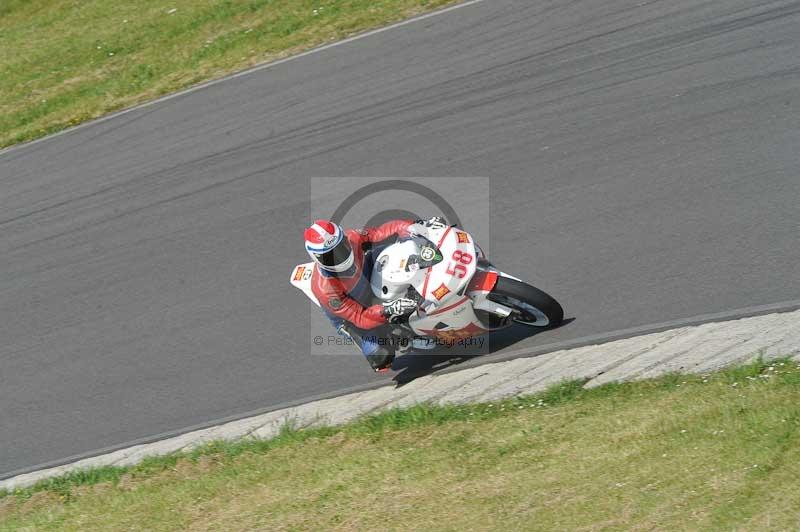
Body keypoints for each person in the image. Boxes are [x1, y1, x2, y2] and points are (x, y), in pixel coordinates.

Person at [304, 217, 446, 372]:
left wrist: (413, 227)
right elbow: (360, 317)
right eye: (330, 256)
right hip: (352, 314)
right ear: (317, 258)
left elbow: (381, 233)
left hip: (366, 270)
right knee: (381, 357)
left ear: (343, 238)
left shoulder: (353, 237)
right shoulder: (326, 289)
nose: (340, 255)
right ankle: (405, 339)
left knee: (403, 247)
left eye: (341, 247)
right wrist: (388, 309)